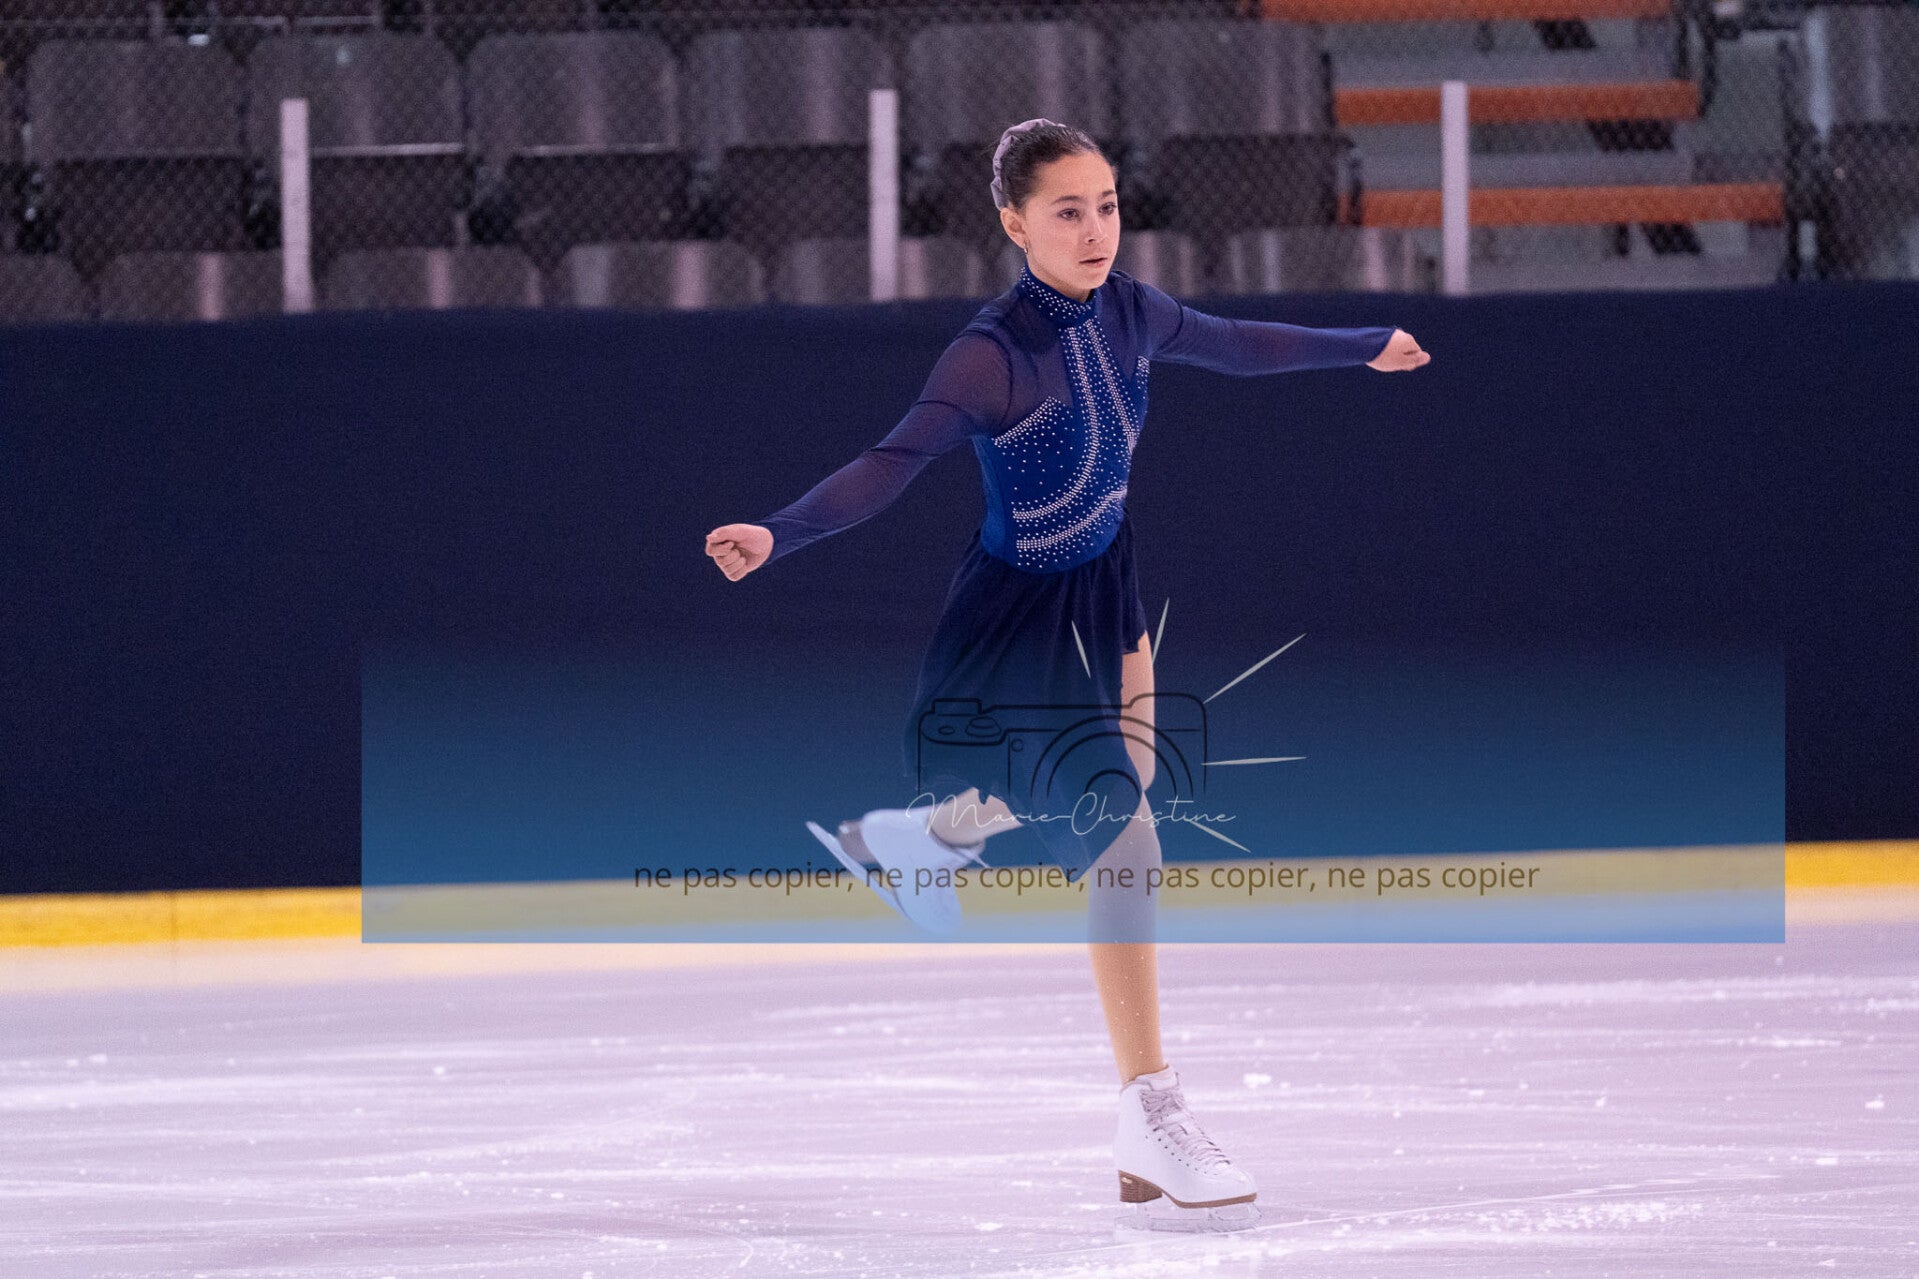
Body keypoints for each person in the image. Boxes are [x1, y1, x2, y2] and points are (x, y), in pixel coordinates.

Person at [706, 119, 1430, 1221]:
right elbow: (890, 462)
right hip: (1016, 627)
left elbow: (1238, 343)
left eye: (1105, 205)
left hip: (1104, 590)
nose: (1095, 230)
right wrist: (778, 531)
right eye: (1066, 211)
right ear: (1013, 223)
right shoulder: (988, 356)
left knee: (1118, 800)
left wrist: (1363, 343)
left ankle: (913, 839)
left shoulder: (1131, 309)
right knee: (1125, 839)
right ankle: (1150, 1108)